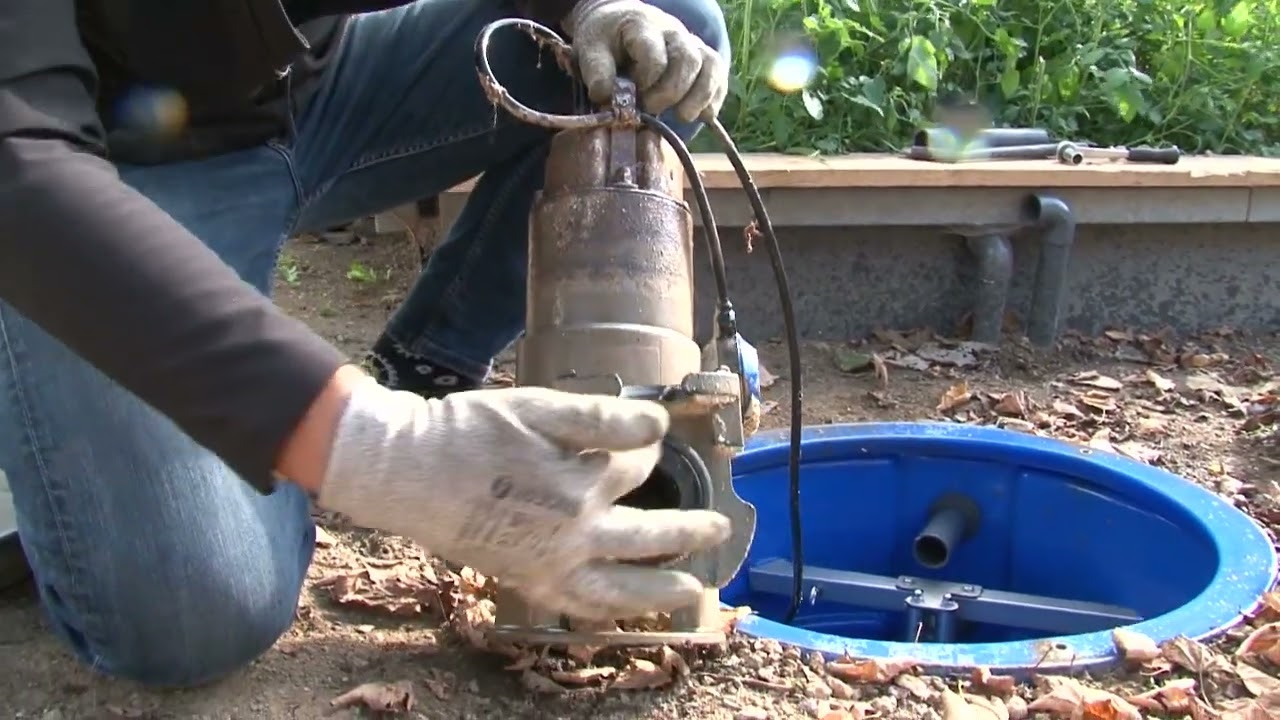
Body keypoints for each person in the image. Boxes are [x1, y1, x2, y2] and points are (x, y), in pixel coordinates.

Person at [0, 0, 733, 689]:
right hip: (100, 168)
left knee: (665, 35)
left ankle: (423, 370)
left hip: (317, 87)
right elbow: (16, 161)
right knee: (193, 614)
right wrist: (369, 445)